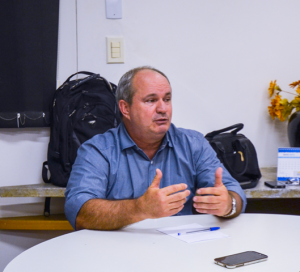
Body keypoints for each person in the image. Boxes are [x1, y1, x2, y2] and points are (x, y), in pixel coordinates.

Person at [65, 66, 247, 230]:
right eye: (151, 100)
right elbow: (80, 212)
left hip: (183, 252)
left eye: (167, 99)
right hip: (120, 255)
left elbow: (235, 194)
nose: (163, 109)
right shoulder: (97, 151)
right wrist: (140, 209)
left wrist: (227, 204)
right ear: (125, 108)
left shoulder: (194, 144)